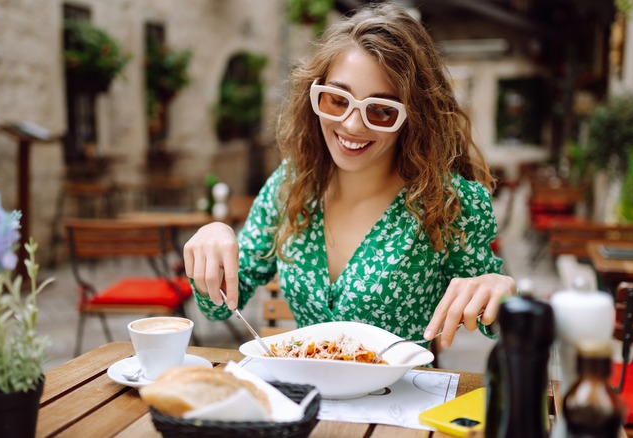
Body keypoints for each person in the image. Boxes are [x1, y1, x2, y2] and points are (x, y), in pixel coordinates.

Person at [183, 2, 515, 349]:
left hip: (400, 400)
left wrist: (501, 290)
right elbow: (218, 306)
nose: (352, 125)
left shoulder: (448, 204)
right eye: (337, 100)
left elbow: (493, 320)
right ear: (315, 95)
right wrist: (214, 236)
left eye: (382, 110)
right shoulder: (291, 185)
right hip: (305, 399)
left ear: (414, 117)